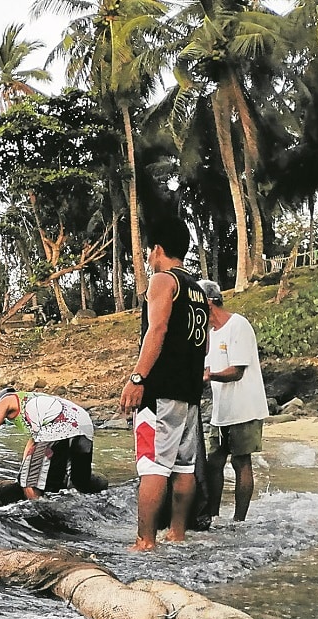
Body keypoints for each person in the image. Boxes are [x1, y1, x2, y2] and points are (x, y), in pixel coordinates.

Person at [119, 219, 211, 551]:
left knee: (153, 466)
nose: (147, 258)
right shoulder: (198, 290)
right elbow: (203, 343)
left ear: (157, 250)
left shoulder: (163, 280)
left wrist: (137, 378)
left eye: (148, 252)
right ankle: (177, 533)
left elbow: (156, 331)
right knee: (184, 465)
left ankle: (145, 541)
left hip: (160, 391)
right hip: (188, 391)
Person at [0, 388, 106, 498]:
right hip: (83, 424)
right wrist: (24, 469)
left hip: (58, 424)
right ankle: (100, 487)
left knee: (29, 485)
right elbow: (32, 445)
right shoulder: (34, 403)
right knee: (78, 482)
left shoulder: (6, 401)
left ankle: (41, 517)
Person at [201, 279, 268, 522]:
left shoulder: (238, 325)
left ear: (209, 303)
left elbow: (237, 370)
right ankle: (213, 515)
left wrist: (210, 376)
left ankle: (238, 520)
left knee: (241, 462)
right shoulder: (211, 333)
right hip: (222, 410)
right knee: (214, 462)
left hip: (244, 408)